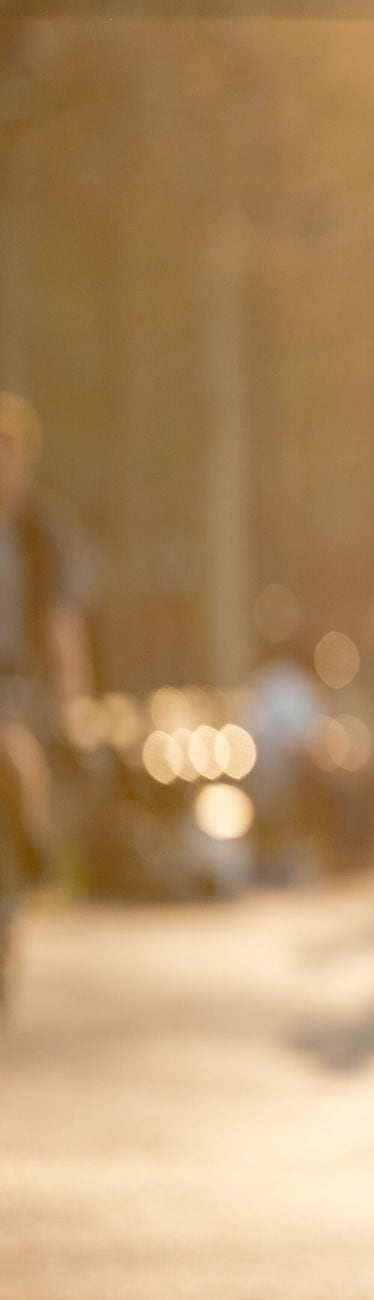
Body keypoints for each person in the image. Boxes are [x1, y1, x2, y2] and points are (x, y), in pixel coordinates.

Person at [0, 393, 94, 1013]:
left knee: (13, 753)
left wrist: (75, 703)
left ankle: (31, 852)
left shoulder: (39, 534)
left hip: (14, 682)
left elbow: (62, 624)